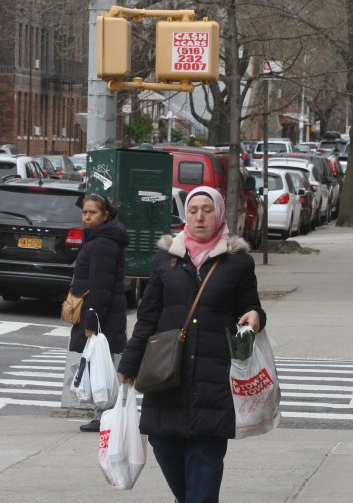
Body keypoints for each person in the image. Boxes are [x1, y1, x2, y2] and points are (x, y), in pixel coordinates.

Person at [119, 186, 265, 503]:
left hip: (214, 378)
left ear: (220, 213)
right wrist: (130, 363)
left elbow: (251, 307)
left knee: (206, 460)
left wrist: (254, 315)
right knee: (164, 444)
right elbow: (147, 317)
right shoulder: (165, 260)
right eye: (193, 210)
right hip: (167, 376)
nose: (200, 216)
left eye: (207, 209)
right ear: (185, 215)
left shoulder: (238, 263)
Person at [64, 193, 129, 432]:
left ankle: (106, 417)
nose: (87, 217)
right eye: (84, 212)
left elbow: (101, 286)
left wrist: (92, 320)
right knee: (105, 365)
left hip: (102, 317)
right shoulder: (99, 238)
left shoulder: (102, 243)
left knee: (105, 366)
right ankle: (104, 415)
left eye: (92, 212)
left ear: (105, 215)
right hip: (103, 315)